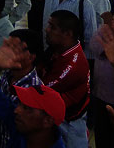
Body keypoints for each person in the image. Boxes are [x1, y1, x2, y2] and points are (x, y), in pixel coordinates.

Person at [41, 10, 90, 148]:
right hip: (61, 117)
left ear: (67, 34)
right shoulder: (58, 49)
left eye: (52, 27)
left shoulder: (73, 64)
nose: (47, 29)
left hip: (71, 123)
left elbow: (42, 90)